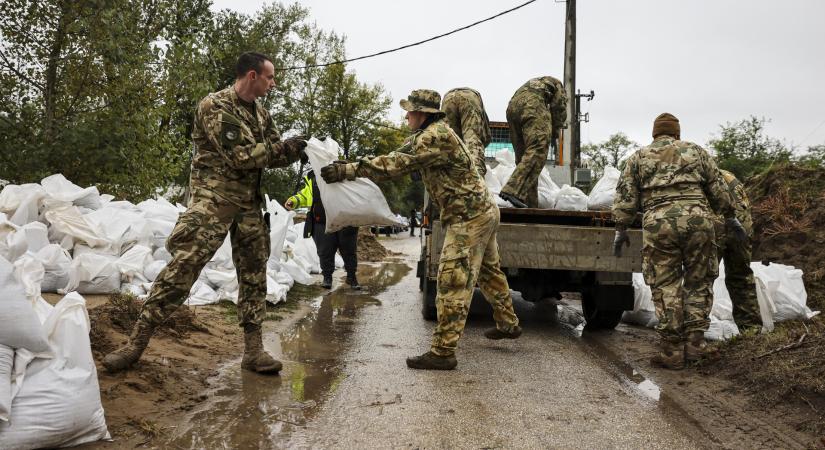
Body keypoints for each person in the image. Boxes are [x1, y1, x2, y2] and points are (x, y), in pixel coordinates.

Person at [103, 52, 307, 375]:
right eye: (270, 77)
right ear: (252, 76)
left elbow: (272, 155)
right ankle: (135, 344)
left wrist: (297, 150)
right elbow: (241, 157)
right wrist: (281, 149)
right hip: (213, 203)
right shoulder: (215, 106)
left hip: (248, 207)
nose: (273, 83)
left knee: (254, 277)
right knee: (182, 269)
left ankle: (253, 351)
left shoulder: (262, 115)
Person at [320, 89, 522, 371]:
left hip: (470, 216)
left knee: (453, 278)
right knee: (489, 272)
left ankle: (443, 352)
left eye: (410, 111)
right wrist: (351, 165)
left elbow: (394, 165)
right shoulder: (426, 135)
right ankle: (508, 323)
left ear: (423, 114)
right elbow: (396, 154)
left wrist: (348, 171)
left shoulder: (434, 136)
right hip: (481, 212)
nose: (406, 116)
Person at [612, 113, 746, 370]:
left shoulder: (638, 157)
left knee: (665, 284)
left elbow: (625, 197)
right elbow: (719, 189)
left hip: (659, 224)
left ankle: (672, 351)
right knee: (699, 280)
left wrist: (621, 229)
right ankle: (696, 345)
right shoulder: (697, 152)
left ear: (654, 133)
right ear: (677, 133)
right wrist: (731, 218)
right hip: (698, 221)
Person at [499, 76, 567, 208]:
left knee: (524, 156)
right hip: (533, 104)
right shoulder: (557, 84)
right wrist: (554, 131)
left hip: (512, 107)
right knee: (538, 149)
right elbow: (559, 107)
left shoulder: (534, 83)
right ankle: (512, 190)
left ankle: (529, 203)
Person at [285, 170, 360, 290]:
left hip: (346, 221)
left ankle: (351, 276)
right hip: (321, 221)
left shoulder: (346, 170)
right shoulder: (313, 177)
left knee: (348, 250)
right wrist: (294, 200)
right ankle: (327, 278)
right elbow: (305, 195)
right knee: (325, 251)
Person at [716, 169, 760, 330]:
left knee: (701, 280)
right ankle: (751, 328)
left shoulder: (702, 176)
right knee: (742, 276)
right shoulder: (729, 175)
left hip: (719, 225)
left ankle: (695, 334)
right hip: (743, 227)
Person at [442, 87, 492, 177]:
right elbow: (478, 139)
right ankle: (476, 179)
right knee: (472, 140)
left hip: (448, 97)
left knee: (446, 142)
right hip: (470, 96)